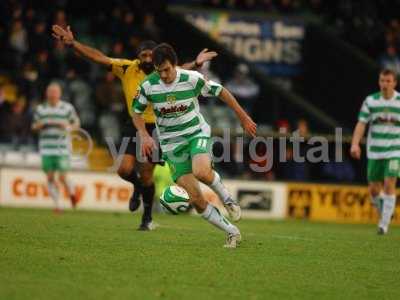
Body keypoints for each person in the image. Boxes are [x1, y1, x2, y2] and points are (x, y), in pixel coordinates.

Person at [51, 25, 218, 230]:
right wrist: (73, 44)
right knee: (124, 169)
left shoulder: (163, 72)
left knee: (147, 174)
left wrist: (196, 63)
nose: (147, 58)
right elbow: (99, 57)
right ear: (138, 57)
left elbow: (181, 68)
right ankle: (137, 188)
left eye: (151, 55)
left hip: (158, 128)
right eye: (143, 55)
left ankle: (146, 219)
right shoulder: (127, 68)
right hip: (135, 124)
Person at [132, 43, 257, 248]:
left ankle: (227, 199)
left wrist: (243, 118)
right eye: (158, 71)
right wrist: (144, 134)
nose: (163, 75)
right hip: (171, 146)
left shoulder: (191, 78)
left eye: (166, 69)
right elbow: (136, 111)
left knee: (201, 171)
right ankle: (232, 232)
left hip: (195, 133)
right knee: (196, 200)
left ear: (175, 65)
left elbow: (222, 91)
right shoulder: (148, 86)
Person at [350, 69, 399, 235]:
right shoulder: (371, 101)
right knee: (373, 190)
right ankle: (385, 212)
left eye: (388, 81)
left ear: (394, 83)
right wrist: (355, 144)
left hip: (394, 150)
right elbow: (361, 123)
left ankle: (383, 225)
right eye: (382, 81)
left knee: (389, 183)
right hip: (375, 151)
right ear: (379, 82)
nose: (385, 84)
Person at [32, 83, 80, 213]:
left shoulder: (67, 108)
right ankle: (57, 205)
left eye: (55, 92)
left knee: (62, 177)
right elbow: (34, 126)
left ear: (59, 94)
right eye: (50, 92)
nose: (53, 94)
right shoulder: (40, 109)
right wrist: (40, 125)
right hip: (46, 148)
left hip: (62, 148)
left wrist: (67, 126)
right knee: (50, 177)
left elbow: (76, 123)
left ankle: (72, 193)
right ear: (47, 93)